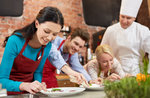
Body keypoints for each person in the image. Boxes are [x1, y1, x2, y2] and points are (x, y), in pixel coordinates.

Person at [0, 6, 64, 95]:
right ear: (37, 24)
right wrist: (24, 85)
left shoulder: (47, 46)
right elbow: (2, 81)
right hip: (9, 93)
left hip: (29, 94)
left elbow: (38, 72)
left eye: (55, 34)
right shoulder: (15, 41)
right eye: (46, 31)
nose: (49, 38)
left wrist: (38, 85)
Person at [101, 0, 150, 76]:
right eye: (122, 16)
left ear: (134, 18)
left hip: (137, 74)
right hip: (115, 73)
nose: (124, 21)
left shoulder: (143, 31)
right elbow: (101, 51)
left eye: (128, 18)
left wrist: (148, 73)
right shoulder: (110, 30)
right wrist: (103, 72)